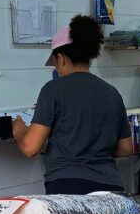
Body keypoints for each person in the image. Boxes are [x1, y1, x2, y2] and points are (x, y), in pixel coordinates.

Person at [12, 15, 133, 195]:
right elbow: (126, 149)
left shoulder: (53, 90)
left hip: (67, 187)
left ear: (61, 58)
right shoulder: (112, 92)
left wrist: (19, 131)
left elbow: (30, 148)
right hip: (110, 189)